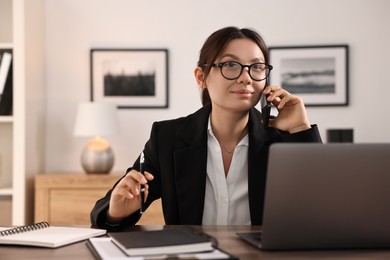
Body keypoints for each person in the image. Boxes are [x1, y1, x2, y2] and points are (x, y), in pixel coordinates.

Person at [90, 26, 322, 230]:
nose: (246, 78)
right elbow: (105, 211)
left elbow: (323, 209)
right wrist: (116, 212)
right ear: (201, 77)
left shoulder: (282, 139)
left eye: (257, 67)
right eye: (231, 65)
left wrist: (301, 129)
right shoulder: (167, 138)